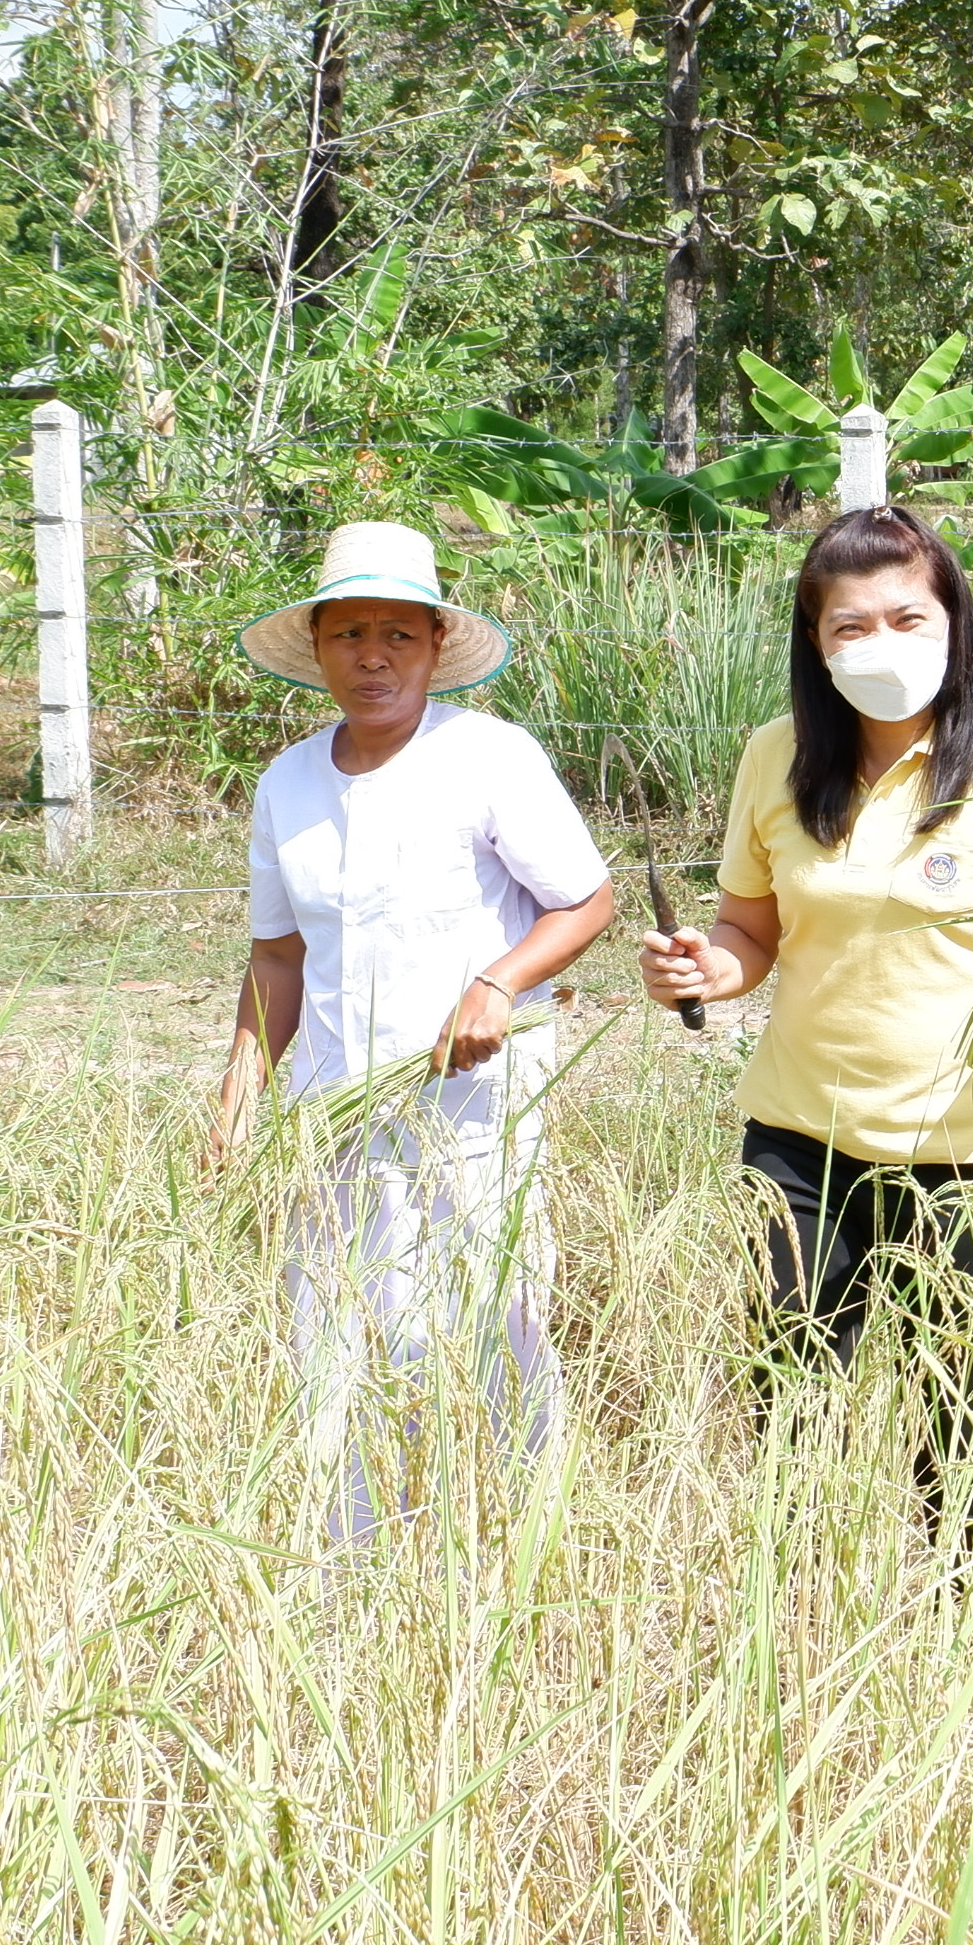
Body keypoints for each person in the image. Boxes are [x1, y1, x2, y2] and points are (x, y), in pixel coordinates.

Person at [637, 506, 973, 1547]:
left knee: (964, 1434)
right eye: (849, 626)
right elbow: (750, 929)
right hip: (800, 1145)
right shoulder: (776, 758)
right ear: (815, 643)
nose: (878, 645)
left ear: (955, 625)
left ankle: (967, 1651)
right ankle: (790, 1644)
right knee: (787, 1417)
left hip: (972, 1158)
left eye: (905, 617)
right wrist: (704, 966)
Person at [218, 521, 617, 1548]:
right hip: (336, 1106)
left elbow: (583, 901)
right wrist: (237, 1099)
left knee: (491, 1310)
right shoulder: (289, 786)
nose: (374, 657)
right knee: (340, 1325)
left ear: (437, 645)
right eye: (349, 633)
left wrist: (497, 983)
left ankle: (518, 1540)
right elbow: (278, 960)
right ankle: (354, 1551)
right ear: (318, 649)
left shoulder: (488, 758)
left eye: (399, 633)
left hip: (473, 1101)